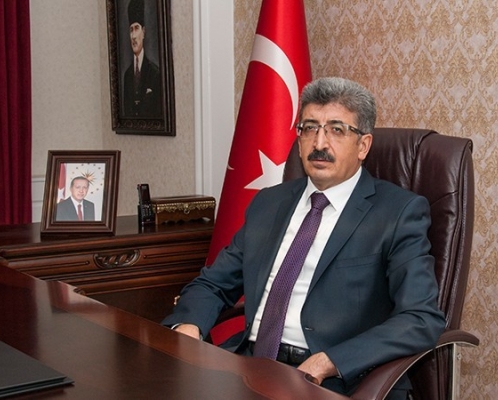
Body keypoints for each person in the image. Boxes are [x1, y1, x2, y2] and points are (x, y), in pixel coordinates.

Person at [162, 77, 445, 399]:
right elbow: (213, 283)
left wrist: (331, 361)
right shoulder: (269, 203)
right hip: (249, 365)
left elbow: (420, 318)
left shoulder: (398, 213)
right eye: (309, 128)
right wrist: (189, 325)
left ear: (363, 146)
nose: (319, 143)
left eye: (336, 130)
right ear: (298, 140)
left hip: (335, 381)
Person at [122, 0, 161, 118]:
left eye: (136, 28)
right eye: (131, 30)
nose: (133, 36)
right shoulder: (127, 76)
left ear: (143, 32)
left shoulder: (155, 73)